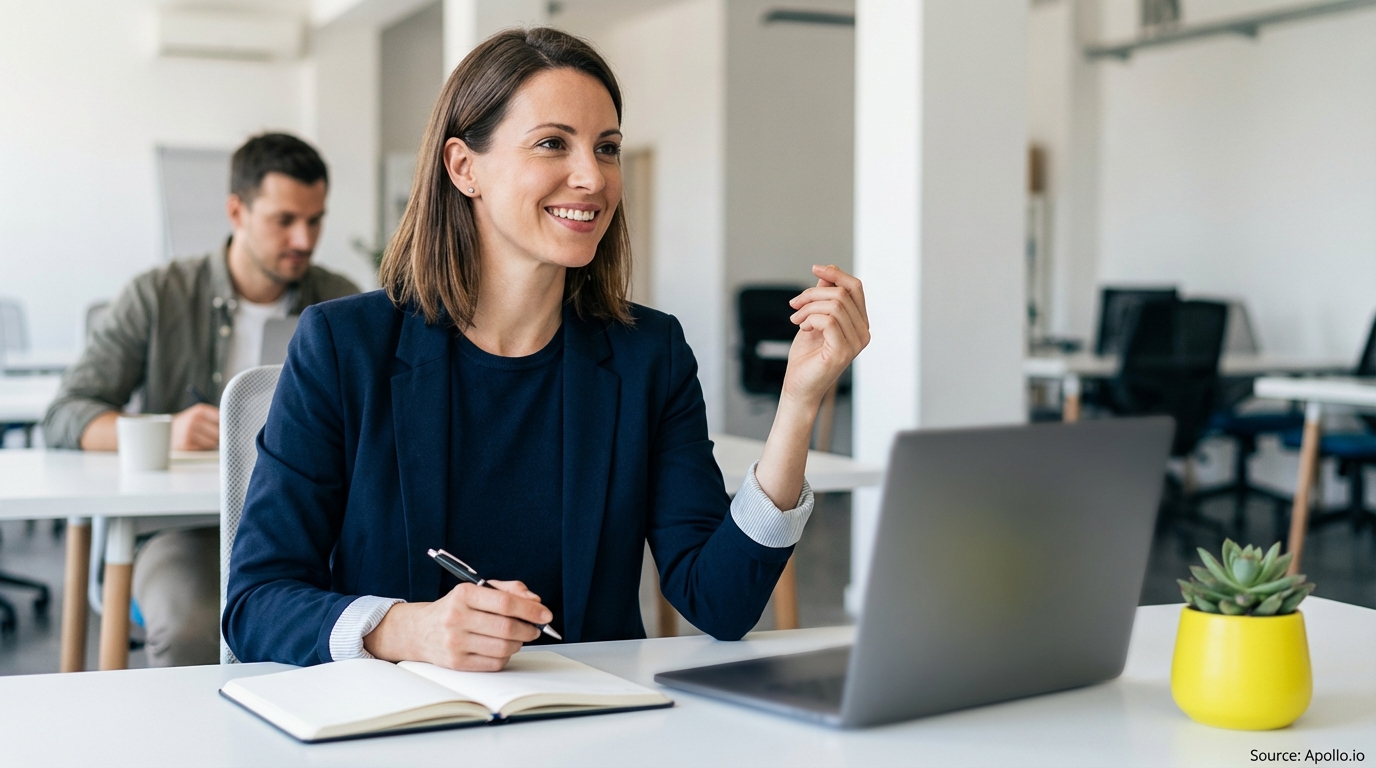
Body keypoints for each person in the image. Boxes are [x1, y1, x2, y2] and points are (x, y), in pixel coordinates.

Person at [224, 28, 869, 671]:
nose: (592, 177)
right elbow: (255, 603)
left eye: (607, 148)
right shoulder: (344, 346)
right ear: (463, 167)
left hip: (589, 727)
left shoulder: (650, 354)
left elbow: (720, 602)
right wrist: (405, 630)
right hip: (399, 731)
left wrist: (798, 400)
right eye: (552, 144)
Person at [44, 133, 361, 666]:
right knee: (193, 628)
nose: (304, 239)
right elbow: (68, 412)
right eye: (284, 220)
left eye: (315, 220)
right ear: (236, 210)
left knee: (361, 620)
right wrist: (164, 431)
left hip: (312, 527)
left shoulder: (340, 300)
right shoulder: (159, 294)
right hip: (186, 530)